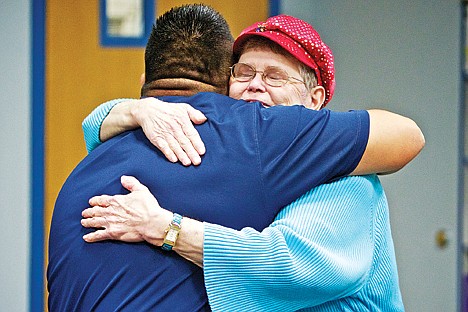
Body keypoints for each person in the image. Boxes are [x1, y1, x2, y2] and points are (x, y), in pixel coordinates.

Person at [48, 6, 422, 312]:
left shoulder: (344, 180)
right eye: (244, 72)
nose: (256, 84)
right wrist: (136, 110)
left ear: (315, 101)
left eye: (276, 77)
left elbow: (286, 265)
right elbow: (97, 127)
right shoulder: (244, 151)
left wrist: (166, 228)